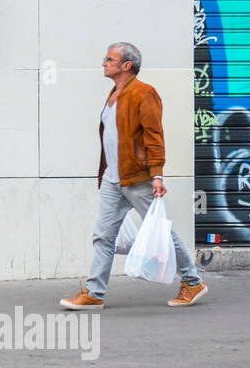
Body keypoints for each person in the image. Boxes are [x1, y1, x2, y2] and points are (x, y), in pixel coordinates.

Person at [60, 43, 205, 310]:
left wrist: (157, 175)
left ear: (126, 65)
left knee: (161, 232)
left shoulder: (144, 93)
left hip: (137, 178)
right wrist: (105, 173)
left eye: (110, 59)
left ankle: (192, 281)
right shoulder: (114, 93)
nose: (104, 62)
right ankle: (94, 292)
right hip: (113, 180)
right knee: (103, 235)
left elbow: (154, 136)